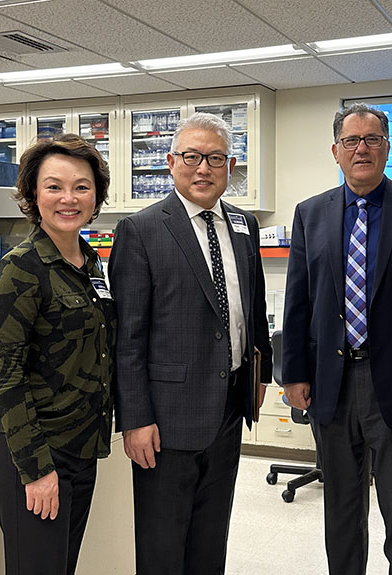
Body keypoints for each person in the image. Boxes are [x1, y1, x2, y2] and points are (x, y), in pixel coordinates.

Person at [281, 102, 392, 575]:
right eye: (352, 140)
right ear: (335, 151)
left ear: (387, 148)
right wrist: (293, 374)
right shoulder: (310, 214)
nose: (362, 149)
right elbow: (298, 300)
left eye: (372, 139)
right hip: (331, 383)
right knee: (341, 510)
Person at [109, 111, 273, 575]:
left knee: (210, 539)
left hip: (229, 407)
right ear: (170, 162)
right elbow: (128, 337)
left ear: (231, 166)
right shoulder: (141, 230)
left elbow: (253, 307)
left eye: (215, 158)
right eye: (192, 157)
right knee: (163, 546)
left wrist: (259, 374)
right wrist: (135, 419)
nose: (203, 168)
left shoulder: (243, 225)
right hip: (166, 418)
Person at [0, 133, 115, 575]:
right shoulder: (19, 269)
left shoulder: (90, 265)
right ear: (33, 194)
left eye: (81, 187)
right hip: (35, 455)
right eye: (54, 186)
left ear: (96, 196)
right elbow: (7, 376)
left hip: (81, 452)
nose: (68, 198)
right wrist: (37, 469)